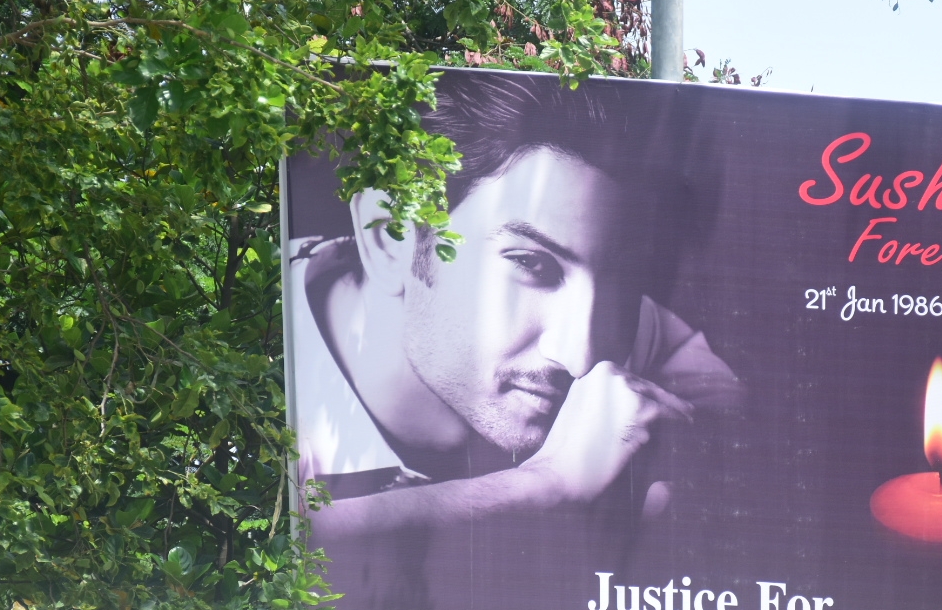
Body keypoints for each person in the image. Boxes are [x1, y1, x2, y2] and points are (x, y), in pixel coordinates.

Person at [288, 72, 741, 540]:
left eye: (619, 281)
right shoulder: (261, 373)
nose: (581, 356)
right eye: (532, 265)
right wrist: (544, 486)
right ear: (391, 239)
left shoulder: (622, 326)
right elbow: (281, 554)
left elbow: (734, 427)